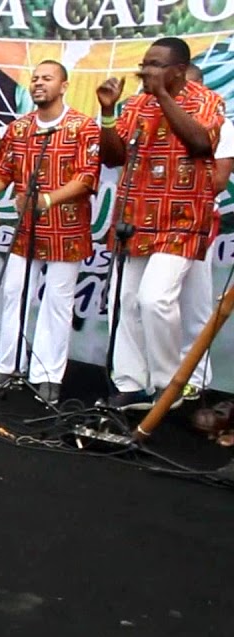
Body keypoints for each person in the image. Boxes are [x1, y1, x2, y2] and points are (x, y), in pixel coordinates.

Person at [0, 61, 99, 403]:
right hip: (26, 230)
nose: (38, 84)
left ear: (64, 86)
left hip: (66, 230)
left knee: (56, 303)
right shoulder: (19, 128)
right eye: (35, 79)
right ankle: (9, 365)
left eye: (47, 78)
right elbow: (3, 172)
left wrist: (47, 199)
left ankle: (48, 375)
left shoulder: (82, 126)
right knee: (16, 293)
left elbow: (87, 177)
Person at [96, 37, 225, 411]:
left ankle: (169, 384)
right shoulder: (135, 104)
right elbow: (112, 157)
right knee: (126, 301)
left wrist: (162, 97)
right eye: (145, 64)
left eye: (156, 65)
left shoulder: (206, 101)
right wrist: (108, 113)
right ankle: (131, 383)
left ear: (179, 71)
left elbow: (201, 143)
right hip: (135, 216)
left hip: (182, 218)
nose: (146, 71)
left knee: (155, 298)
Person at [177, 64, 234, 401]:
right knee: (149, 303)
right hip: (151, 222)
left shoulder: (223, 126)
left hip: (195, 220)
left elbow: (218, 181)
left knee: (195, 302)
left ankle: (195, 377)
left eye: (188, 87)